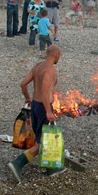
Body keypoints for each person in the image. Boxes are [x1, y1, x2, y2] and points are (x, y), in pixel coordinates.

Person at [8, 45, 63, 182]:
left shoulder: (38, 66)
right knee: (43, 141)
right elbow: (45, 92)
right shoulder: (50, 70)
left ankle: (51, 168)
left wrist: (27, 98)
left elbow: (23, 84)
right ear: (56, 55)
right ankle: (17, 164)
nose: (59, 58)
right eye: (59, 56)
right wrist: (49, 111)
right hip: (44, 107)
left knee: (43, 137)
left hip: (35, 106)